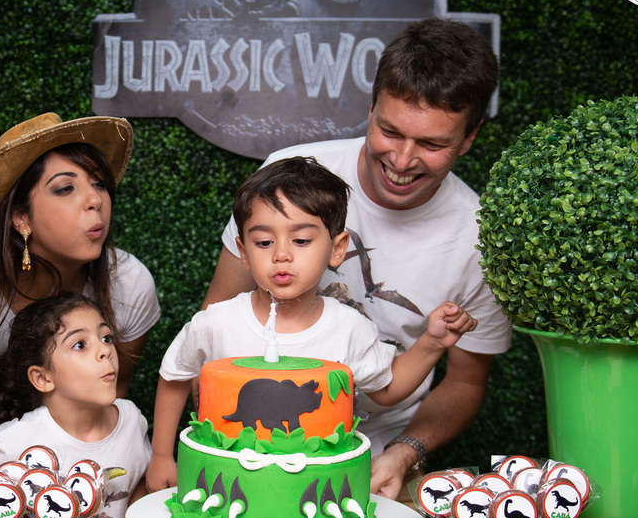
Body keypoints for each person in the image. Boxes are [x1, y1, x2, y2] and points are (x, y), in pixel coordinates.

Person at [202, 18, 512, 500]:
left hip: (381, 454)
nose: (402, 160)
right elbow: (216, 317)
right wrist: (222, 440)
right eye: (389, 131)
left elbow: (465, 383)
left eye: (432, 144)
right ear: (370, 108)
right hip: (255, 439)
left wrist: (405, 452)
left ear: (469, 137)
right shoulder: (288, 179)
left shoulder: (480, 240)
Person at [146, 157, 477, 492]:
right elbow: (174, 375)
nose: (281, 255)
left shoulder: (349, 328)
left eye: (301, 240)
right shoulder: (216, 322)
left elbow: (388, 388)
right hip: (229, 487)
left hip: (318, 494)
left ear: (337, 249)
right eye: (264, 242)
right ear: (243, 252)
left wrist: (432, 343)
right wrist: (161, 455)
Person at [0, 113, 160, 437]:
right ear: (21, 218)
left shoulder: (130, 284)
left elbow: (112, 390)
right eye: (65, 188)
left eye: (99, 183)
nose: (95, 200)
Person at [0, 292, 151, 518]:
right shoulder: (18, 438)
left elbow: (140, 478)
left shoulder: (131, 419)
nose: (105, 351)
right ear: (43, 378)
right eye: (80, 344)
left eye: (106, 338)